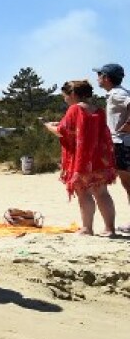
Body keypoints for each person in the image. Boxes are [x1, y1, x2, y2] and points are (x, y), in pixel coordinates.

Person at [44, 80, 118, 237]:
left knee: (84, 194)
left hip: (82, 161)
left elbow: (62, 131)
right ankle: (110, 229)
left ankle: (87, 228)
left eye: (65, 95)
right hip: (100, 159)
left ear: (72, 94)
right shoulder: (98, 110)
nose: (65, 99)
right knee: (102, 193)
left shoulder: (74, 109)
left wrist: (48, 126)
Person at [94, 64, 130, 222]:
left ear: (106, 78)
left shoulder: (117, 94)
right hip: (122, 142)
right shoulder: (116, 93)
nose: (98, 78)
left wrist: (128, 125)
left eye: (99, 75)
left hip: (122, 143)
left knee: (128, 184)